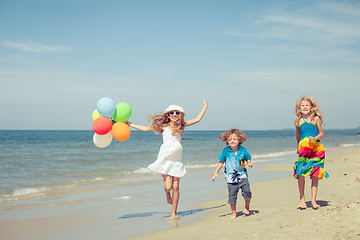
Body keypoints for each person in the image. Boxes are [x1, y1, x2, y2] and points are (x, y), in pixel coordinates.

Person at [126, 100, 208, 220]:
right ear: (168, 115)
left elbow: (197, 119)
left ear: (180, 115)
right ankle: (167, 195)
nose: (174, 114)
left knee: (176, 187)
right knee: (168, 187)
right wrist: (129, 124)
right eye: (171, 113)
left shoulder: (182, 125)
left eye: (177, 112)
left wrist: (205, 107)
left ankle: (174, 213)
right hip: (164, 158)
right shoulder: (163, 126)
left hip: (177, 160)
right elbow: (145, 129)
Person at [293, 96, 329, 210]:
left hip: (316, 149)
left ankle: (313, 200)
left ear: (312, 107)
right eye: (302, 105)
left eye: (307, 105)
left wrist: (314, 138)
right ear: (299, 108)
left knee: (315, 174)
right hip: (304, 149)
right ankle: (302, 199)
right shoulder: (298, 121)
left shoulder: (316, 119)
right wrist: (298, 146)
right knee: (301, 173)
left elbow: (321, 133)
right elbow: (298, 136)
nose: (304, 107)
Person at [212, 128, 253, 218]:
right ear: (227, 141)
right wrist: (215, 172)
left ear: (239, 140)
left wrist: (249, 163)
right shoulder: (226, 151)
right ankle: (233, 213)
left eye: (234, 139)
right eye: (230, 139)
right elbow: (221, 162)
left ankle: (247, 207)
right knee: (232, 196)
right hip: (231, 178)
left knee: (247, 192)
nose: (232, 141)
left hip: (243, 176)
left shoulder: (243, 150)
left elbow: (248, 157)